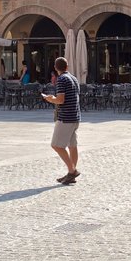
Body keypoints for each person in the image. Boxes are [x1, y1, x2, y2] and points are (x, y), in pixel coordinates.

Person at [42, 57, 81, 185]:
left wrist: (50, 99)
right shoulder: (74, 78)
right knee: (72, 145)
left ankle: (72, 170)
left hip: (65, 117)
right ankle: (71, 174)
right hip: (75, 116)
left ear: (55, 67)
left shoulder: (61, 79)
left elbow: (60, 100)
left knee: (56, 145)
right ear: (67, 66)